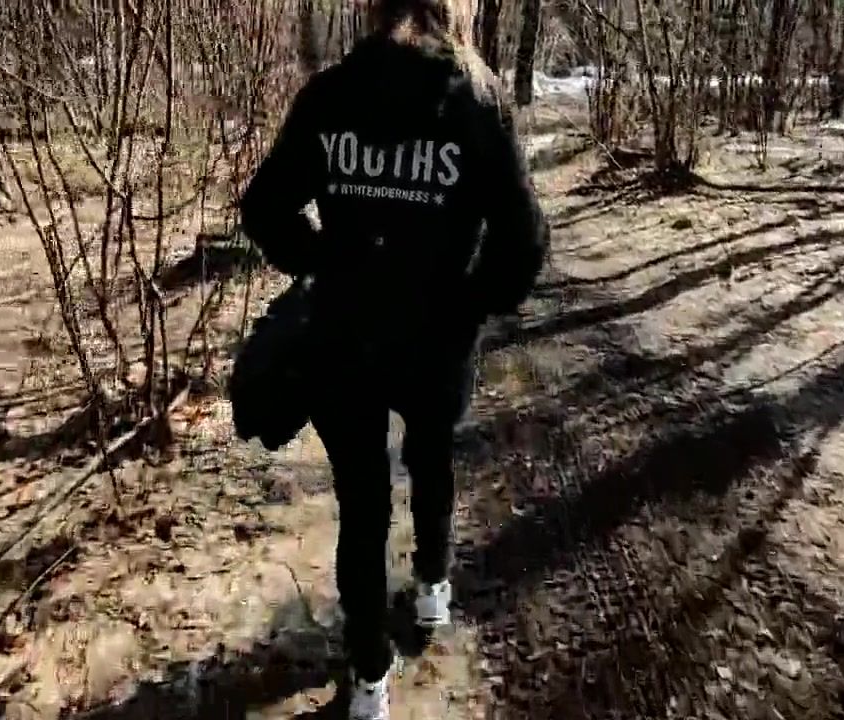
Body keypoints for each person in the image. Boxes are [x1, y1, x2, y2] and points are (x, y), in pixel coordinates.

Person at [238, 0, 548, 717]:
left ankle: (369, 680)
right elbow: (525, 242)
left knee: (363, 507)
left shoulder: (331, 96)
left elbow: (264, 208)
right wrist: (472, 301)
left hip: (344, 334)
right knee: (431, 458)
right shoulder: (478, 101)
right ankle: (433, 589)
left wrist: (322, 262)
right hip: (435, 342)